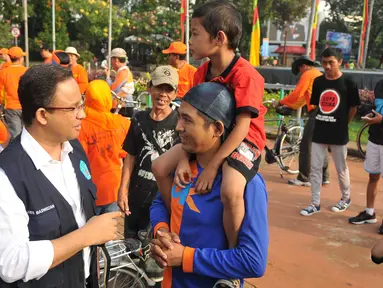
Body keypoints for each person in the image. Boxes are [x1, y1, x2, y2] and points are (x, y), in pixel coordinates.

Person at [153, 0, 266, 256]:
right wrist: (184, 156)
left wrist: (213, 166)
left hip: (244, 139)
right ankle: (173, 226)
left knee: (230, 190)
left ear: (219, 38)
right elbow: (189, 119)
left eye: (195, 34)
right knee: (160, 167)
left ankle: (233, 251)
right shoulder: (201, 72)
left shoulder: (246, 75)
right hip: (207, 137)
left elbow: (243, 126)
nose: (189, 41)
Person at [0, 64, 121, 287]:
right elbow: (10, 262)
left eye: (81, 103)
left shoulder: (74, 150)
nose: (82, 114)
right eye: (72, 108)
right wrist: (87, 235)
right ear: (43, 115)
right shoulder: (7, 175)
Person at [150, 82, 268, 288]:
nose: (178, 127)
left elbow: (253, 261)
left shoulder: (246, 185)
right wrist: (162, 232)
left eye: (187, 120)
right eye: (179, 117)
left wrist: (186, 257)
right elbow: (159, 203)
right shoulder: (181, 169)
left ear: (217, 128)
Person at [118, 65, 179, 239]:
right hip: (136, 195)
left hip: (162, 200)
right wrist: (123, 190)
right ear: (149, 88)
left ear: (175, 94)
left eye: (169, 90)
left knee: (154, 251)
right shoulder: (138, 119)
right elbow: (130, 157)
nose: (163, 94)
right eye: (159, 87)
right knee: (131, 245)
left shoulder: (180, 123)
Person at [300, 47, 360, 216]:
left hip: (339, 133)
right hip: (320, 130)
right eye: (324, 62)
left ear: (340, 62)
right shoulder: (319, 82)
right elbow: (317, 105)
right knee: (316, 167)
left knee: (341, 167)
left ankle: (345, 198)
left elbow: (353, 107)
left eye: (331, 62)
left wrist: (343, 124)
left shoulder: (349, 83)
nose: (327, 66)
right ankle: (314, 202)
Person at [274, 56, 330, 187]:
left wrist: (281, 102)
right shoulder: (318, 74)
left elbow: (297, 93)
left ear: (303, 66)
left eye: (299, 69)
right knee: (321, 144)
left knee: (306, 145)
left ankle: (305, 177)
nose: (300, 73)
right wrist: (291, 106)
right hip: (325, 112)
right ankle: (324, 176)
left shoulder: (308, 74)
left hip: (316, 113)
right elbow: (303, 99)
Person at [78, 80, 130, 215]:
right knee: (110, 232)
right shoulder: (122, 123)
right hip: (114, 186)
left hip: (89, 189)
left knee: (91, 231)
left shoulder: (80, 126)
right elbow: (128, 156)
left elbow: (79, 159)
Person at [348, 81, 383, 232]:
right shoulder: (380, 84)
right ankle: (370, 213)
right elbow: (377, 108)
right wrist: (372, 114)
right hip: (375, 138)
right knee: (373, 177)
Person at [0, 46, 28, 139]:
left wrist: (3, 105)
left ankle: (17, 152)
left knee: (15, 135)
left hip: (11, 108)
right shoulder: (26, 71)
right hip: (26, 106)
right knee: (28, 134)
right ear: (20, 58)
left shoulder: (3, 72)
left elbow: (1, 92)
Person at [105, 48, 135, 117]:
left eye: (111, 59)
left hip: (123, 107)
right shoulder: (123, 71)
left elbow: (112, 89)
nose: (111, 62)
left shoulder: (123, 72)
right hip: (123, 106)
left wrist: (107, 77)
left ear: (116, 60)